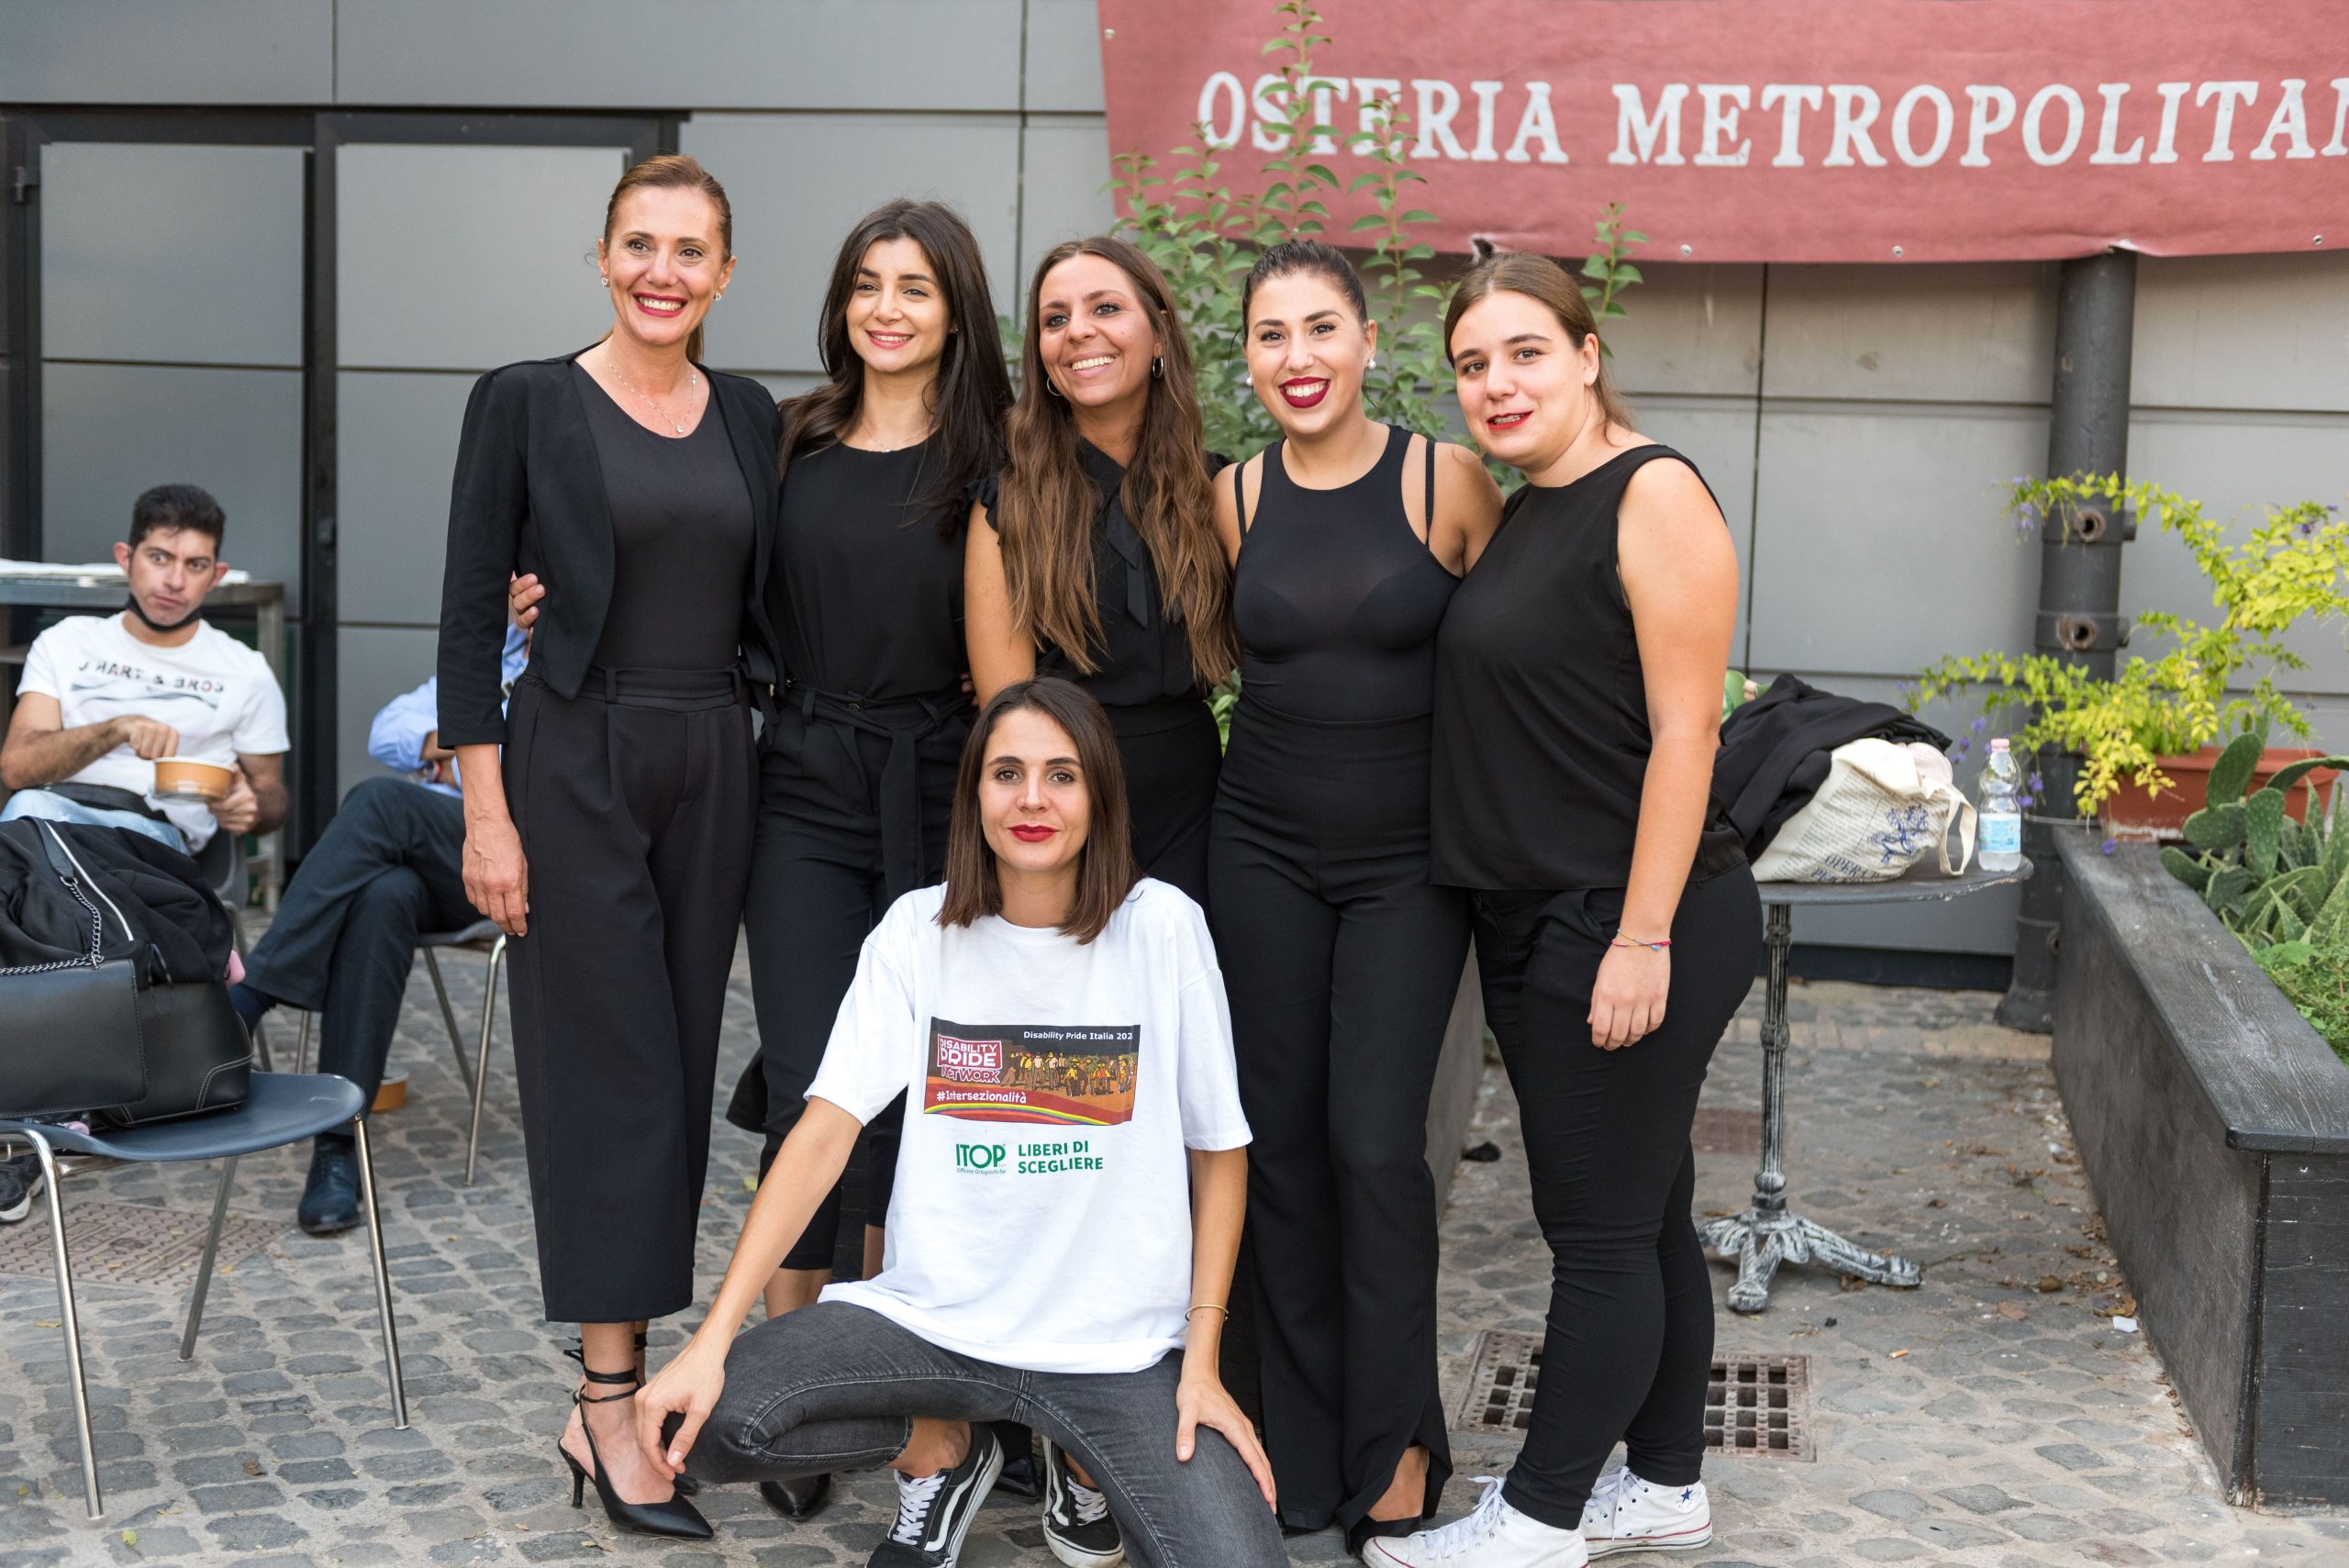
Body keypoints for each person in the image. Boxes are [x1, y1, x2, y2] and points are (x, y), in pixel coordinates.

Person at [509, 198, 1015, 1526]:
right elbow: (679, 556)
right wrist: (552, 591)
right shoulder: (781, 436)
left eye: (916, 287)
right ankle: (794, 1382)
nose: (888, 308)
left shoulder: (992, 460)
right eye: (867, 283)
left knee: (925, 1104)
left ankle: (918, 1396)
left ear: (956, 311)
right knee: (808, 1085)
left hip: (935, 792)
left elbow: (1013, 661)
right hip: (793, 786)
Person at [630, 678, 1286, 1568]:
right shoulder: (917, 932)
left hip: (1116, 1354)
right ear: (975, 793)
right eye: (1007, 772)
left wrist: (1200, 1361)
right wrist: (711, 1338)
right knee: (709, 1420)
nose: (1031, 798)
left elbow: (1219, 1152)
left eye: (1061, 775)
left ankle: (1081, 1464)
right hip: (934, 1328)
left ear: (1100, 794)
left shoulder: (1163, 929)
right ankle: (939, 1447)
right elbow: (822, 1134)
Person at [1368, 253, 1760, 1568]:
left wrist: (1640, 937)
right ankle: (1664, 1481)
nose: (1497, 383)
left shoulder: (1652, 492)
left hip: (1630, 911)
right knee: (1642, 1212)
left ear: (1589, 356)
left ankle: (1536, 1517)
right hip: (1542, 908)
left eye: (1526, 352)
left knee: (1592, 1234)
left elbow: (1687, 734)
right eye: (1472, 364)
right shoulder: (1531, 506)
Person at [436, 153, 781, 1541]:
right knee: (610, 1076)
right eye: (640, 243)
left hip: (715, 755)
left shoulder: (750, 414)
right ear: (601, 257)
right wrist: (488, 812)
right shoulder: (525, 400)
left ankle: (628, 1384)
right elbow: (470, 614)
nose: (662, 271)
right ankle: (606, 1403)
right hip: (575, 755)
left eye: (690, 251)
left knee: (680, 1067)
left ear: (724, 274)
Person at [1207, 239, 1502, 1554]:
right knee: (1276, 1150)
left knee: (1377, 1149)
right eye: (1272, 335)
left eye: (1322, 328)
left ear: (1370, 342)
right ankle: (1296, 1442)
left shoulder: (1447, 482)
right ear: (1248, 358)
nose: (1299, 357)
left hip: (1406, 867)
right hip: (1260, 847)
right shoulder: (1235, 496)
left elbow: (1516, 653)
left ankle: (1395, 1448)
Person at [225, 623, 528, 1236]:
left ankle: (248, 997)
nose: (524, 590)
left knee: (379, 802)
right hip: (444, 857)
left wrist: (467, 757)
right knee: (384, 896)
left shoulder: (577, 661)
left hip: (521, 855)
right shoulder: (495, 653)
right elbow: (388, 730)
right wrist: (460, 742)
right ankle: (337, 1151)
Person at [964, 235, 1237, 906]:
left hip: (1198, 810)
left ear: (1160, 334)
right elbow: (1010, 715)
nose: (1078, 331)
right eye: (1055, 319)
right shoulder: (1007, 506)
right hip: (1061, 802)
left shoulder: (1220, 492)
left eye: (1105, 307)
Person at [1, 484, 287, 858]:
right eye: (159, 558)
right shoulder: (66, 642)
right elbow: (17, 768)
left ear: (216, 576)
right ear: (126, 559)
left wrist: (252, 806)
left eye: (195, 565)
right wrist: (116, 730)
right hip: (49, 817)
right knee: (26, 815)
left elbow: (271, 793)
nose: (175, 581)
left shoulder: (245, 670)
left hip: (155, 840)